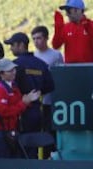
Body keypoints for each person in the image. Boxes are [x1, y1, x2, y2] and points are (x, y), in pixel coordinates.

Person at [4, 32, 54, 158]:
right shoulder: (41, 64)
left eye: (12, 45)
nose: (11, 48)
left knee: (20, 147)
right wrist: (37, 93)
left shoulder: (14, 65)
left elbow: (9, 88)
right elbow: (50, 86)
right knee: (34, 147)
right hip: (37, 111)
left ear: (21, 45)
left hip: (20, 112)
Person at [0, 58, 40, 158]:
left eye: (14, 69)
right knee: (2, 165)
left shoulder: (13, 87)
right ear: (1, 74)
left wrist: (28, 100)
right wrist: (24, 102)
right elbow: (4, 111)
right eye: (10, 71)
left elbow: (18, 105)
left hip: (11, 131)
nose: (14, 72)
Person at [31, 25, 64, 158]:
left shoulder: (56, 55)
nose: (36, 41)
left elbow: (62, 75)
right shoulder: (32, 56)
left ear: (46, 38)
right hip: (37, 102)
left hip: (52, 100)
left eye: (39, 38)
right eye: (34, 39)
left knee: (51, 129)